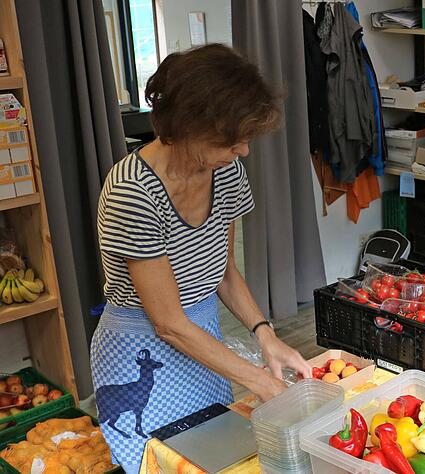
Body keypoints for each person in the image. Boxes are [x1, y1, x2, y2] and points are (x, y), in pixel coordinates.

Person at [90, 44, 311, 473]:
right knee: (162, 461)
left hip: (203, 339)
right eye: (233, 140)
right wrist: (258, 380)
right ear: (190, 126)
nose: (244, 151)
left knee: (217, 456)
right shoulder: (132, 192)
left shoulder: (225, 171)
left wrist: (266, 335)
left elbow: (223, 270)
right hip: (142, 345)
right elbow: (168, 322)